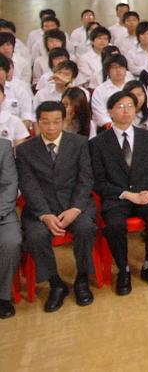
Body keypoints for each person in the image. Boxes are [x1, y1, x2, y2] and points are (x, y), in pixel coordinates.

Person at [16, 101, 98, 312]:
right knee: (35, 236)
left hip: (75, 205)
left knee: (85, 228)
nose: (51, 127)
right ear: (37, 123)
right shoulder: (25, 150)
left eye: (56, 122)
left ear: (65, 121)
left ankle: (82, 278)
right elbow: (28, 185)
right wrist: (44, 214)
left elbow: (86, 179)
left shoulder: (79, 143)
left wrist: (75, 209)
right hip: (41, 209)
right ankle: (55, 283)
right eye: (45, 122)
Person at [89, 90, 148, 295]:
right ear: (110, 112)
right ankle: (123, 269)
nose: (126, 111)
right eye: (120, 107)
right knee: (114, 225)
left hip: (146, 194)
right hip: (118, 197)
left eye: (130, 106)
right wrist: (126, 194)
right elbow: (98, 181)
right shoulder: (97, 143)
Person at [90, 53, 131, 131]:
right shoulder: (100, 90)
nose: (118, 70)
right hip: (109, 129)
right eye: (114, 67)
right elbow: (100, 113)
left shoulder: (133, 87)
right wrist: (115, 126)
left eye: (121, 67)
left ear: (126, 70)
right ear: (108, 71)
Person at [0, 135, 17, 319]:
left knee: (11, 242)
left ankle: (4, 296)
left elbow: (9, 184)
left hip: (2, 212)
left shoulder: (3, 146)